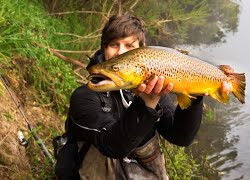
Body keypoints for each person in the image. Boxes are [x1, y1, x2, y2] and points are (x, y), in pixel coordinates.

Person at [57, 14, 232, 180]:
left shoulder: (155, 87)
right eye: (113, 45)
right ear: (103, 47)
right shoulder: (84, 97)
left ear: (142, 51)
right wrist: (146, 104)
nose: (120, 52)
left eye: (129, 46)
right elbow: (111, 146)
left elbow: (180, 137)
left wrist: (194, 97)